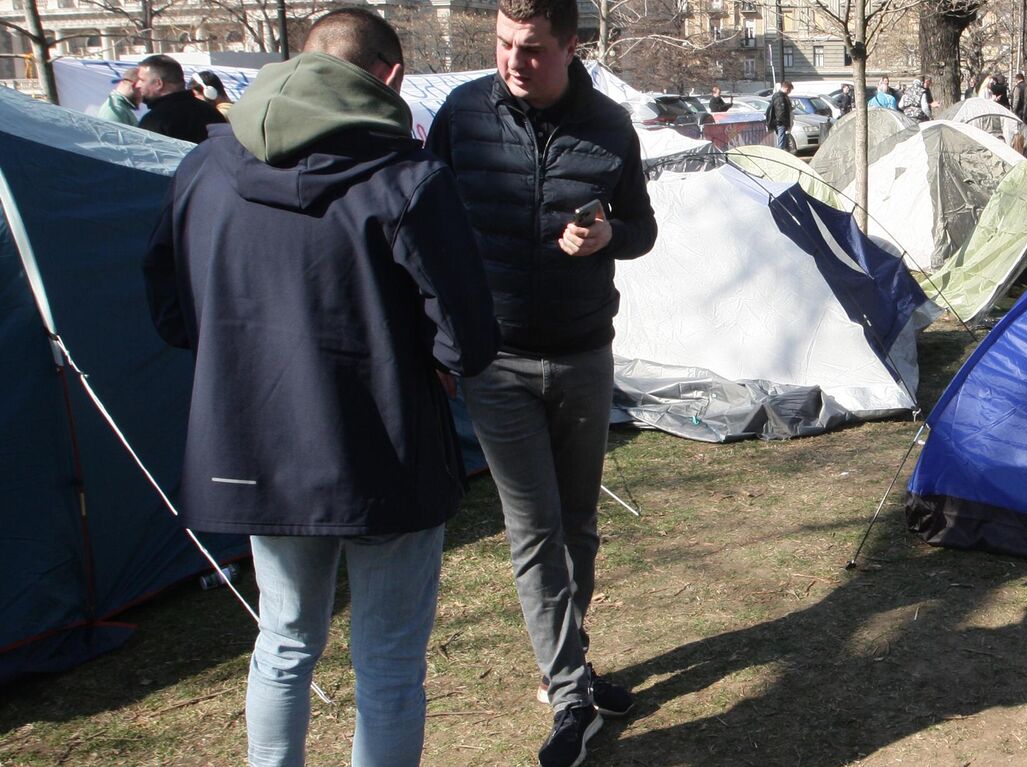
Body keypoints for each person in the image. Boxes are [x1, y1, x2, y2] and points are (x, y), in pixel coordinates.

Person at [142, 8, 498, 765]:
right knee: (386, 659)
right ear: (391, 77)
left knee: (285, 638)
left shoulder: (205, 165)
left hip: (258, 438)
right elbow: (468, 335)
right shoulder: (407, 177)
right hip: (386, 444)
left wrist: (240, 363)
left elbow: (171, 308)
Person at [425, 0, 658, 761]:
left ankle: (572, 664)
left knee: (579, 526)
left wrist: (607, 237)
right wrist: (439, 337)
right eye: (502, 45)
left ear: (570, 47)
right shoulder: (461, 116)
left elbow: (644, 229)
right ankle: (569, 696)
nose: (512, 62)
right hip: (495, 360)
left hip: (584, 354)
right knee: (533, 531)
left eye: (530, 50)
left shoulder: (611, 127)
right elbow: (423, 227)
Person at [135, 54, 227, 143]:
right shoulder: (212, 113)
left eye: (142, 80)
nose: (137, 85)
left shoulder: (153, 122)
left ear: (158, 83)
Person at [765, 80, 794, 149]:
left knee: (783, 140)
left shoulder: (780, 96)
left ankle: (783, 153)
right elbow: (780, 111)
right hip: (781, 123)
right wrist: (784, 122)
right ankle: (781, 154)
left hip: (780, 122)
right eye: (789, 90)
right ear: (787, 88)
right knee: (781, 141)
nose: (789, 92)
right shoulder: (780, 97)